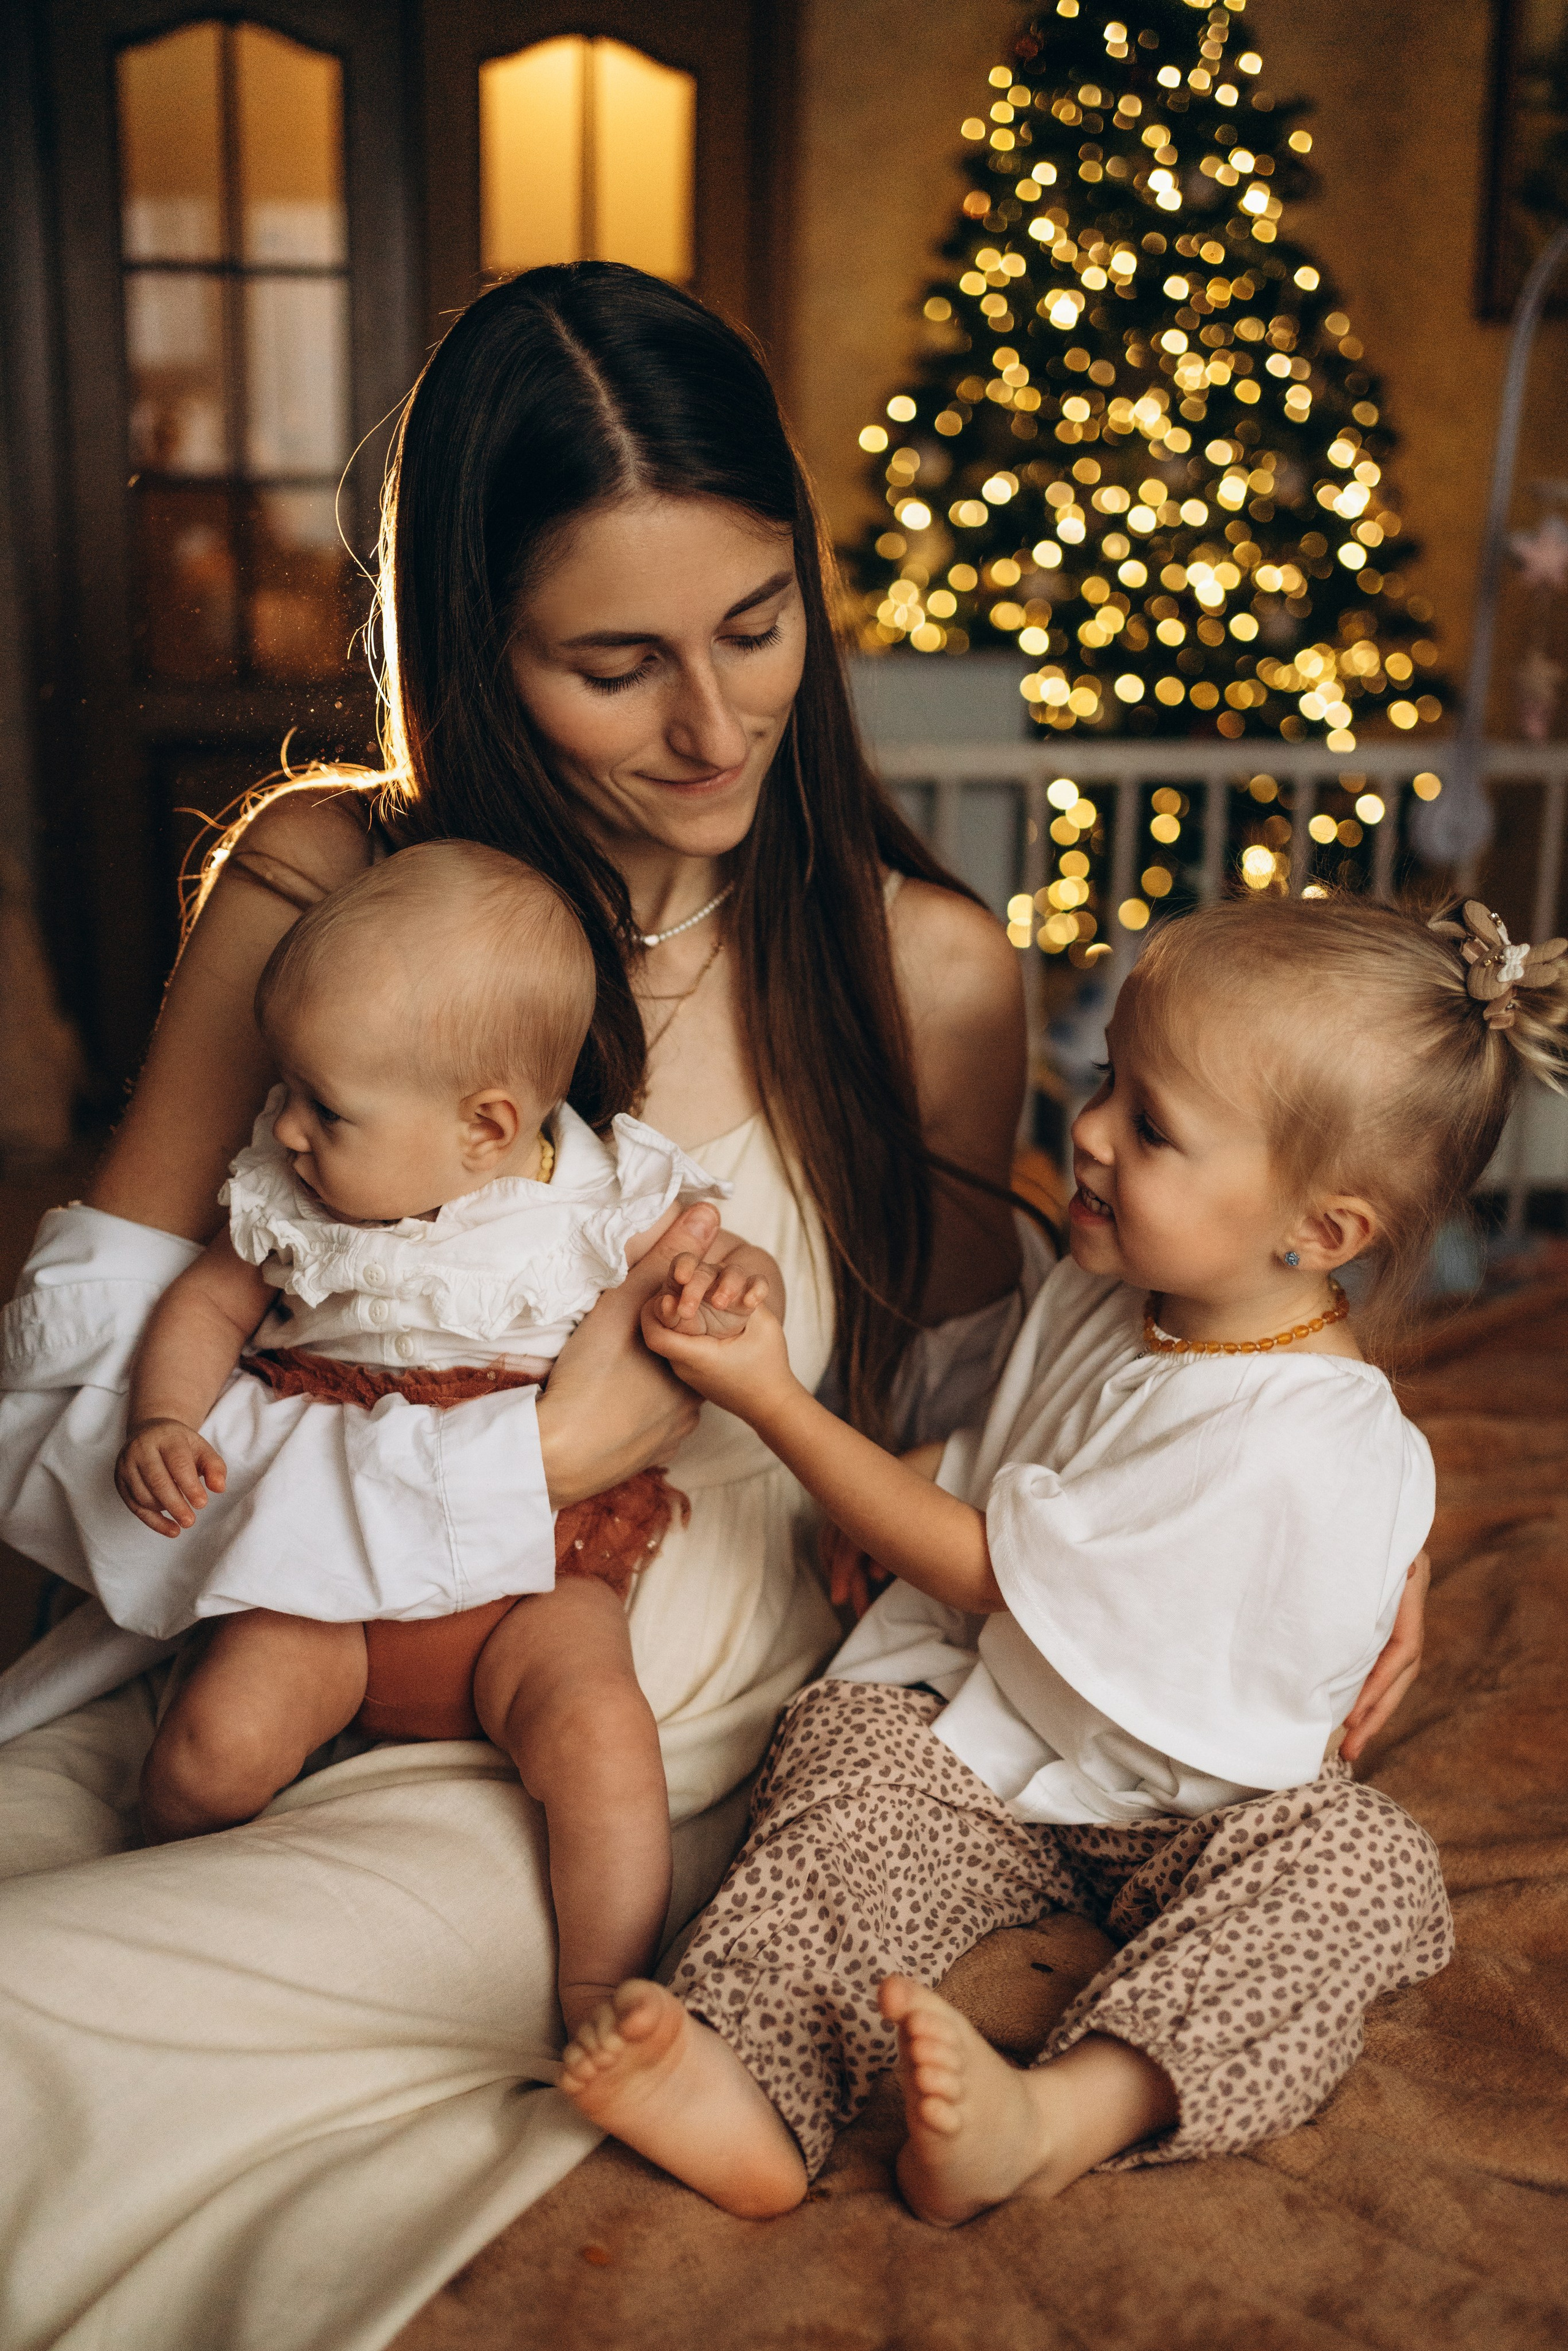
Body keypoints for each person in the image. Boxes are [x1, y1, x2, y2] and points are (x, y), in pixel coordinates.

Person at [0, 266, 1422, 2351]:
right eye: (614, 661)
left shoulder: (916, 963)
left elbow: (1008, 1407)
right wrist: (517, 1465)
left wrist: (1307, 1544)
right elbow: (60, 1435)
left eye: (757, 626)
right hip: (228, 1642)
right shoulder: (325, 889)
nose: (714, 721)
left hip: (643, 1732)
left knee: (47, 2010)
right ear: (474, 653)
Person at [556, 892, 1540, 2225]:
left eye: (1150, 1126)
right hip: (981, 1746)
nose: (1082, 1130)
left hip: (1197, 1809)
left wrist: (776, 1402)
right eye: (1104, 1081)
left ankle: (1066, 2108)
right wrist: (881, 1496)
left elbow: (980, 1563)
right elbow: (996, 1454)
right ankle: (742, 2075)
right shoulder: (1109, 1284)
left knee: (1363, 1867)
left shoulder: (1296, 1436)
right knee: (841, 1779)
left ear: (1316, 1233)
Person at [112, 842, 774, 2034]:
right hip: (334, 1571)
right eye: (288, 1091)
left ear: (485, 1125)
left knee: (601, 1737)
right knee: (211, 1742)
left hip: (538, 1575)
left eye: (328, 1106)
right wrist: (165, 1415)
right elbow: (209, 1304)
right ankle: (179, 1898)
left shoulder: (599, 1198)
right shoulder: (290, 1196)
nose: (292, 1130)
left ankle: (598, 1992)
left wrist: (735, 1277)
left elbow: (710, 1260)